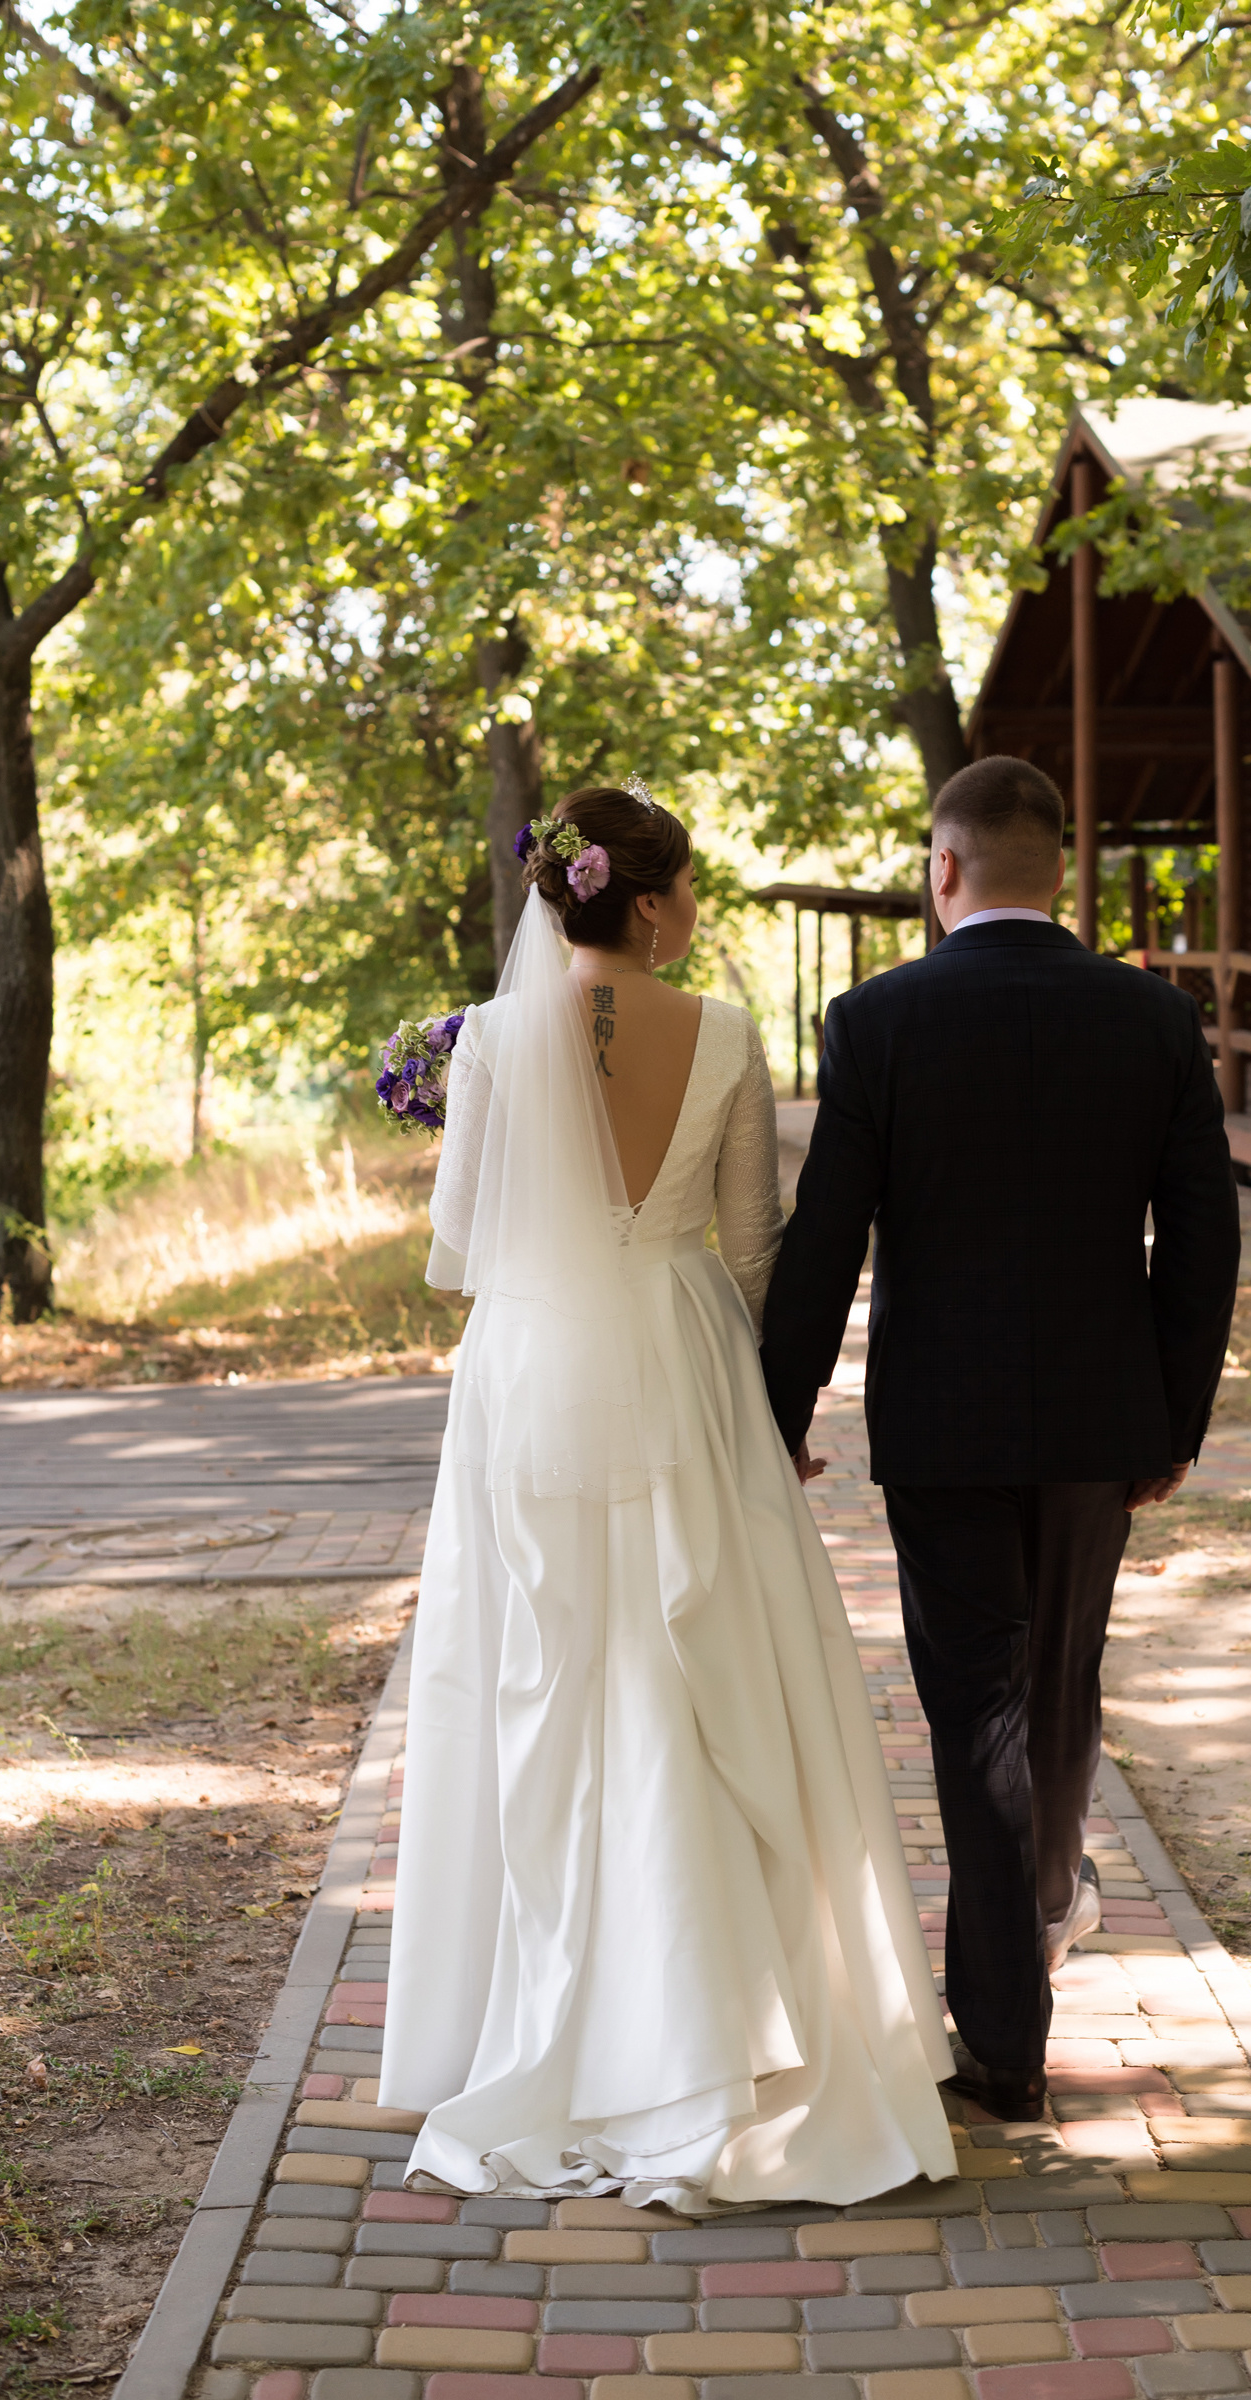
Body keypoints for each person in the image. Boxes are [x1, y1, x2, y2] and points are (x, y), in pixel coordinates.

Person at [378, 785, 955, 2212]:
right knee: (704, 1673)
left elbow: (461, 1249)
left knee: (553, 1673)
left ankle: (558, 2031)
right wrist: (772, 1407)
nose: (695, 906)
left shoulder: (492, 1042)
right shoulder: (730, 1034)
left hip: (533, 1372)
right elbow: (755, 1244)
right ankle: (730, 2029)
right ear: (645, 903)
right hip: (687, 1357)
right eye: (686, 886)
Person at [760, 755, 1241, 2124]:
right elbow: (1201, 1236)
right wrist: (1173, 1416)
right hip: (1100, 1419)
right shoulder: (1149, 1020)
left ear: (943, 869)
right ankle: (1043, 1906)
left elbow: (825, 1244)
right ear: (1060, 873)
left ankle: (1002, 2050)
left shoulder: (876, 1020)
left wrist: (772, 1419)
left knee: (977, 1706)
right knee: (1062, 1676)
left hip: (943, 1421)